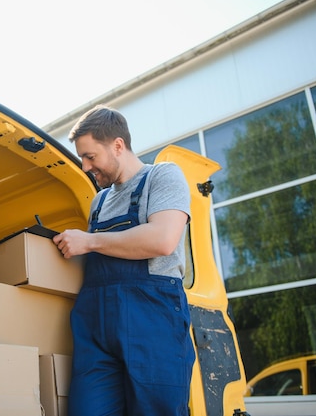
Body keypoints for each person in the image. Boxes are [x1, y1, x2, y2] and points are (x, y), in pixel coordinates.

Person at [52, 105, 195, 416]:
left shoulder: (163, 176)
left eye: (91, 156)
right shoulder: (99, 202)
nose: (86, 166)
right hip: (96, 329)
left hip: (152, 323)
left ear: (117, 145)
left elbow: (163, 239)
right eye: (82, 158)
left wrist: (89, 241)